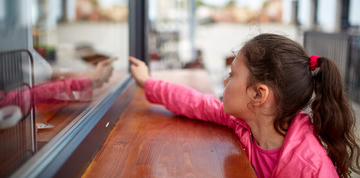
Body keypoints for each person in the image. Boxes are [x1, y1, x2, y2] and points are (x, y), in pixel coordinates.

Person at [129, 33, 360, 178]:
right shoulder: (245, 122)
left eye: (232, 75)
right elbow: (197, 103)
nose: (225, 81)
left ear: (258, 95)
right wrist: (148, 82)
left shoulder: (311, 169)